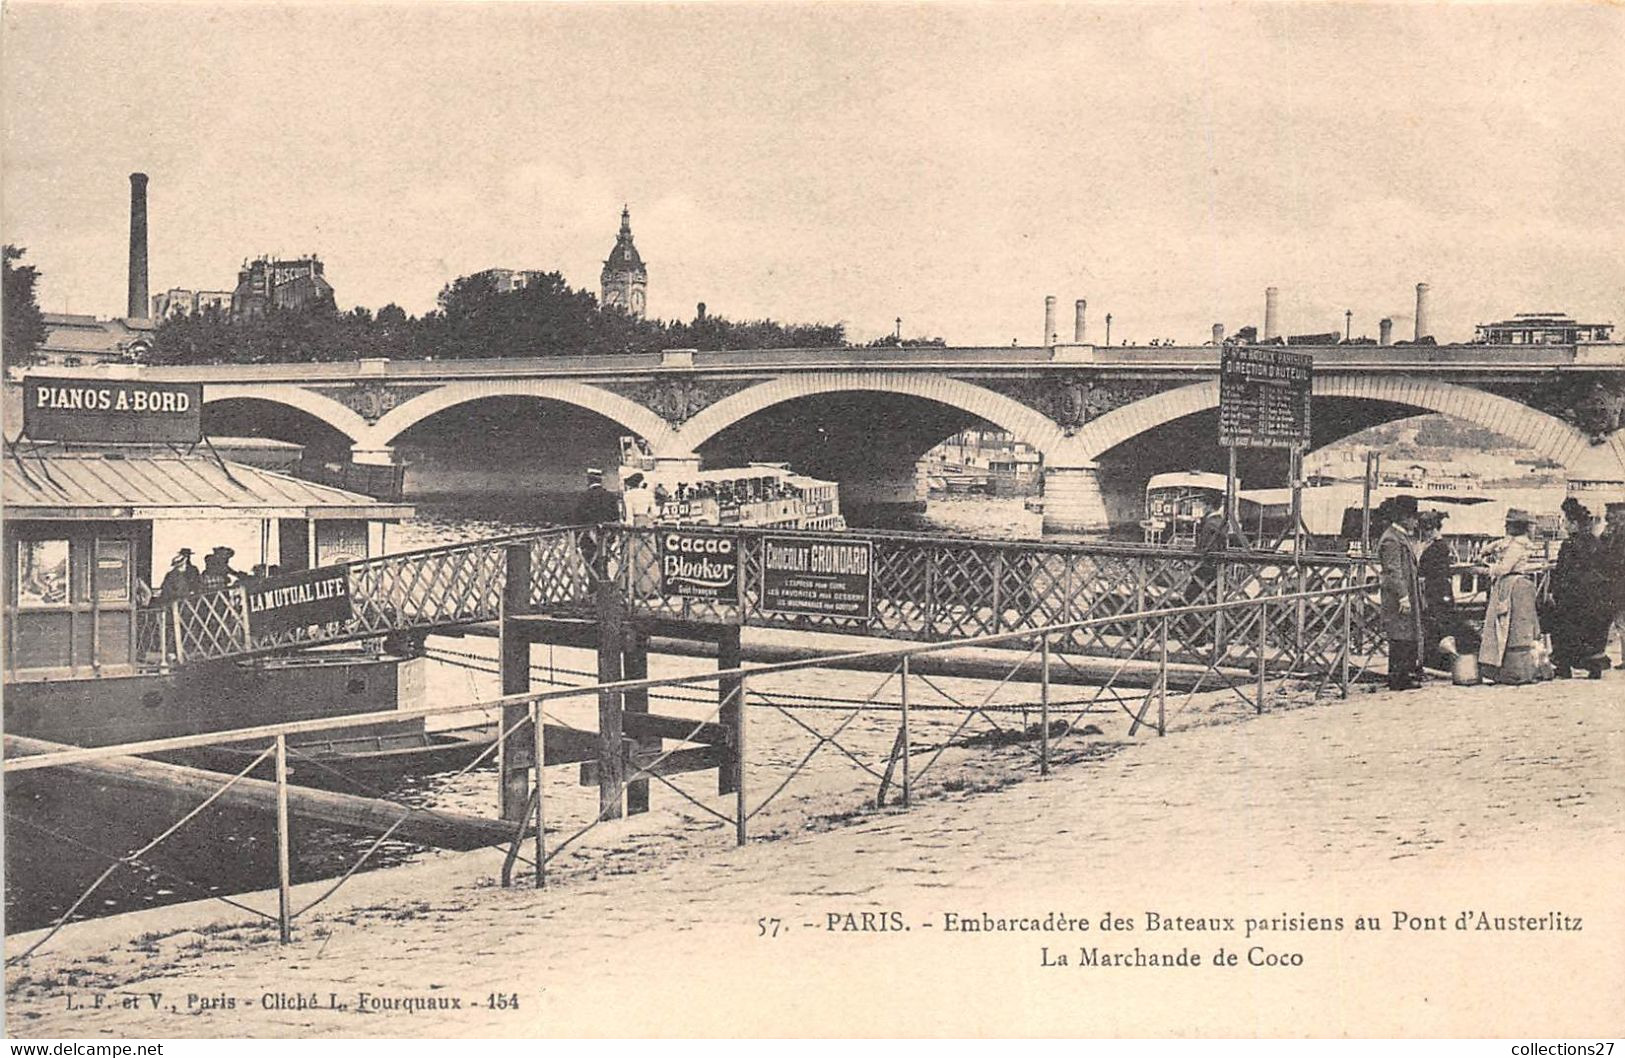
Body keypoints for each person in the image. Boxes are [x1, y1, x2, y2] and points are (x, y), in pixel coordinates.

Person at [1476, 508, 1548, 685]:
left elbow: (1504, 568)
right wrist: (1490, 548)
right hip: (1512, 586)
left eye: (1508, 524)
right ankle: (1517, 667)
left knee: (1508, 627)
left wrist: (1484, 570)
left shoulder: (1516, 546)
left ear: (1513, 526)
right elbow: (1493, 548)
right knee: (1512, 627)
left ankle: (1513, 669)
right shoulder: (1513, 543)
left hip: (1512, 586)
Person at [1546, 498, 1613, 679]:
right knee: (1592, 631)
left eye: (1566, 521)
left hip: (1572, 596)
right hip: (1595, 595)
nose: (1564, 525)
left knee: (1564, 629)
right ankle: (1594, 666)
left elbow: (1561, 572)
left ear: (1574, 523)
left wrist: (1553, 592)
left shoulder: (1568, 545)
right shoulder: (1597, 543)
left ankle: (1564, 666)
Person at [1377, 494, 1424, 690]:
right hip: (1398, 596)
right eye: (1413, 518)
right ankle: (1398, 678)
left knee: (1406, 633)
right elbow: (1392, 570)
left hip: (1406, 592)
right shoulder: (1391, 540)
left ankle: (1404, 675)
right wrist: (1403, 596)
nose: (1415, 522)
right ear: (1403, 518)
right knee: (1399, 635)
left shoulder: (1399, 537)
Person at [1415, 509, 1455, 669]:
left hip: (1438, 589)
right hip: (1437, 588)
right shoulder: (1437, 545)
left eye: (1427, 530)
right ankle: (1435, 660)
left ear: (1432, 529)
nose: (1425, 533)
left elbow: (1428, 569)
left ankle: (1439, 661)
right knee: (1435, 623)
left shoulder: (1438, 547)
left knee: (1439, 623)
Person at [1605, 501, 1625, 668]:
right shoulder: (1615, 533)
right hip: (1618, 584)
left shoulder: (1618, 535)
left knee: (1619, 621)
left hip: (1618, 585)